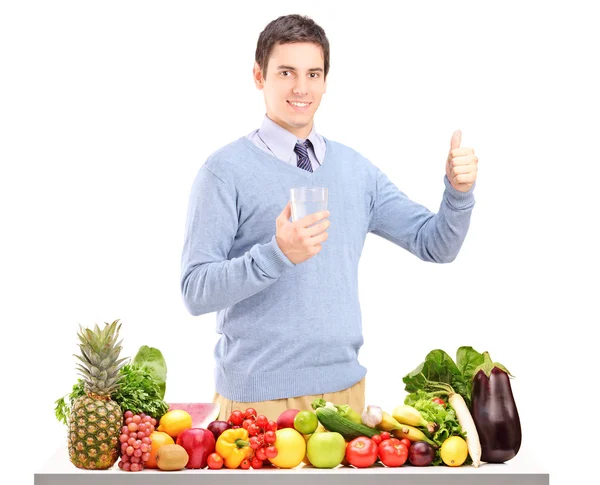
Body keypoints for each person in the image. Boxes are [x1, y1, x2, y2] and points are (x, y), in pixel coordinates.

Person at [180, 14, 478, 421]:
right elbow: (195, 291)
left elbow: (436, 244)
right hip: (257, 402)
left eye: (313, 73)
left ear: (324, 80)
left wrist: (457, 193)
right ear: (258, 76)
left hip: (345, 395)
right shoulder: (224, 171)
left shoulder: (357, 171)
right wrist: (276, 254)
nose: (301, 88)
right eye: (286, 72)